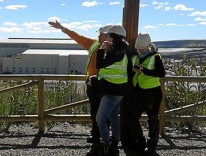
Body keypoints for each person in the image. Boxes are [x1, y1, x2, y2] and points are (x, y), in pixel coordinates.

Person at [48, 21, 111, 156]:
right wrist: (63, 28)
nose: (99, 36)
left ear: (107, 36)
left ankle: (103, 140)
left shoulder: (111, 48)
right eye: (100, 34)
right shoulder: (94, 44)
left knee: (102, 113)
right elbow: (77, 37)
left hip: (103, 84)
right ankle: (96, 138)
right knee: (95, 111)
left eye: (101, 34)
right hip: (93, 83)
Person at [124, 33, 165, 156]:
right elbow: (129, 74)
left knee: (153, 119)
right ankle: (140, 141)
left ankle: (151, 147)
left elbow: (161, 73)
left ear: (148, 46)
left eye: (142, 47)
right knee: (131, 117)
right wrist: (133, 70)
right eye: (139, 48)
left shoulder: (155, 57)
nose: (140, 50)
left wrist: (143, 70)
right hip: (137, 92)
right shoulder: (134, 58)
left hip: (152, 92)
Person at [95, 25, 132, 156]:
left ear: (115, 37)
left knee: (100, 119)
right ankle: (115, 141)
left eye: (109, 35)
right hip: (120, 89)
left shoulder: (115, 51)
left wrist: (101, 49)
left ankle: (106, 144)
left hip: (111, 90)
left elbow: (99, 65)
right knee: (114, 116)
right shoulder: (125, 49)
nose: (107, 37)